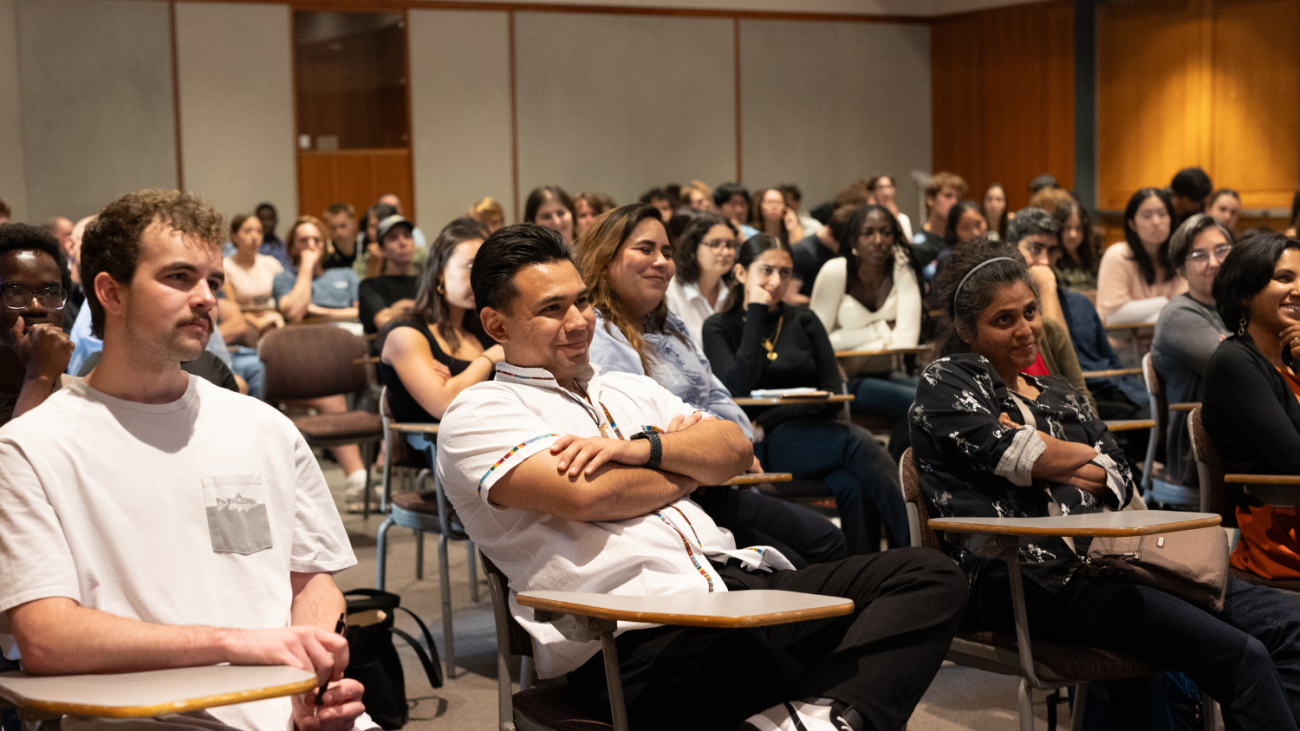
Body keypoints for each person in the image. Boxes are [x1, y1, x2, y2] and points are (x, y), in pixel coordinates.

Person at [435, 222, 965, 731]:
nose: (578, 322)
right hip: (632, 634)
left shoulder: (626, 388)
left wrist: (640, 450)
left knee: (927, 576)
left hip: (736, 583)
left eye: (582, 300)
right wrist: (686, 470)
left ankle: (815, 717)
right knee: (810, 672)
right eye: (551, 309)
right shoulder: (480, 412)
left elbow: (733, 447)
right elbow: (590, 495)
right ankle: (822, 712)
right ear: (496, 325)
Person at [0, 189, 370, 731]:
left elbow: (312, 581)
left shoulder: (263, 427)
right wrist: (243, 647)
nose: (206, 299)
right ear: (110, 292)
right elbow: (46, 638)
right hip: (148, 718)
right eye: (179, 278)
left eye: (213, 282)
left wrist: (312, 685)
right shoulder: (31, 445)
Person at [912, 242, 1300, 730]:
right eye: (1004, 320)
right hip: (1020, 575)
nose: (1027, 329)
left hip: (1112, 561)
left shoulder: (1057, 392)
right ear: (967, 331)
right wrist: (1070, 457)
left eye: (1030, 311)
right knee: (1240, 656)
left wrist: (1055, 458)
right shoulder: (947, 381)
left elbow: (1118, 476)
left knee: (1288, 626)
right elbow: (1015, 456)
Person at [582, 205, 846, 567]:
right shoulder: (598, 331)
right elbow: (637, 430)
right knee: (801, 559)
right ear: (605, 258)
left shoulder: (669, 325)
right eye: (645, 249)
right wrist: (711, 445)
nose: (661, 261)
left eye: (667, 252)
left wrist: (731, 444)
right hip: (669, 499)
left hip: (717, 477)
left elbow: (719, 395)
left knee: (828, 539)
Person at [704, 234, 909, 554]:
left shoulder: (804, 319)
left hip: (810, 431)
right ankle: (912, 548)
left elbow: (831, 390)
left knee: (851, 483)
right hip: (762, 444)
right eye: (767, 271)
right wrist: (756, 313)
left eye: (785, 273)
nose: (776, 281)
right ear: (742, 273)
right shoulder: (720, 326)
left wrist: (771, 413)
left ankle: (865, 571)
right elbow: (735, 390)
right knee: (858, 441)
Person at [1203, 231, 1300, 579]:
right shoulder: (1234, 363)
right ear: (1245, 292)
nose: (1299, 289)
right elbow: (1294, 461)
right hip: (1280, 533)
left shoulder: (1293, 360)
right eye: (1284, 278)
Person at [377, 216, 497, 452]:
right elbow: (444, 404)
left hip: (491, 436)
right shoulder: (406, 334)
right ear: (440, 272)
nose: (482, 280)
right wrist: (490, 359)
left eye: (488, 270)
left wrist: (456, 382)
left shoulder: (483, 329)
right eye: (472, 268)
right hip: (440, 447)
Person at [809, 205, 921, 425]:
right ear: (853, 239)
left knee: (944, 396)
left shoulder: (901, 269)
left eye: (886, 232)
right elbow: (816, 342)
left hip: (886, 372)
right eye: (868, 232)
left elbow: (906, 341)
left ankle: (902, 458)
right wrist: (880, 329)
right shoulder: (835, 271)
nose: (878, 240)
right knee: (919, 404)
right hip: (843, 379)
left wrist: (844, 340)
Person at [1150, 214, 1233, 489]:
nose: (1214, 262)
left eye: (1222, 250)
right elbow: (1235, 370)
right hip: (1200, 454)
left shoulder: (1235, 307)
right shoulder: (1179, 314)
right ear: (1181, 270)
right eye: (1199, 255)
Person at [0, 224, 75, 425]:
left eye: (51, 293)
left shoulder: (83, 400)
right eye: (15, 292)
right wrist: (38, 378)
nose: (36, 308)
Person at [1097, 188, 1187, 325]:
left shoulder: (1180, 257)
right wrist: (1164, 303)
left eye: (1162, 214)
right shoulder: (1117, 255)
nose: (1156, 222)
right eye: (1147, 216)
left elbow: (1184, 312)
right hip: (1124, 345)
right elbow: (1112, 315)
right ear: (1132, 224)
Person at [664, 211, 736, 348]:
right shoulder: (671, 292)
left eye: (730, 245)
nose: (725, 252)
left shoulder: (733, 295)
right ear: (692, 250)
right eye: (714, 244)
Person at [273, 215, 360, 324]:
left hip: (349, 332)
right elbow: (294, 313)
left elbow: (362, 312)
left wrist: (322, 312)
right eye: (303, 240)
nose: (311, 245)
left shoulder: (347, 274)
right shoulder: (284, 278)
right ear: (292, 247)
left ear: (324, 245)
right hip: (306, 336)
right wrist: (307, 266)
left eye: (317, 240)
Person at [358, 215, 418, 337]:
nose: (402, 243)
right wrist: (421, 308)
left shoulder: (426, 283)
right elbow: (383, 322)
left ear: (414, 244)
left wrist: (401, 306)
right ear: (381, 250)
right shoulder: (370, 286)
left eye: (407, 236)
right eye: (393, 238)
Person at [788, 204, 858, 305]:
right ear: (829, 232)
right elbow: (790, 298)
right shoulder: (801, 252)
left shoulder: (837, 244)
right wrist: (827, 304)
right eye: (843, 246)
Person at [1034, 189, 1101, 293]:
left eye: (1078, 228)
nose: (1073, 234)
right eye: (1067, 228)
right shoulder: (1051, 259)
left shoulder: (1092, 256)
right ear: (1058, 228)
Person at [911, 171, 966, 269]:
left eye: (958, 198)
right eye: (948, 195)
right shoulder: (918, 245)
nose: (954, 202)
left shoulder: (962, 242)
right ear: (930, 199)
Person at [866, 174, 913, 241]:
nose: (886, 192)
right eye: (881, 187)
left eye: (889, 187)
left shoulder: (903, 219)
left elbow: (908, 245)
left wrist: (896, 221)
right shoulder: (868, 218)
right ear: (874, 191)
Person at [321, 202, 362, 270]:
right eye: (333, 228)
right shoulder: (325, 256)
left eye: (343, 226)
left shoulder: (366, 249)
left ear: (354, 223)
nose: (338, 232)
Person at [254, 201, 292, 269]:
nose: (266, 223)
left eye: (269, 219)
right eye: (262, 219)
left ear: (276, 220)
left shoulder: (286, 248)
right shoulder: (250, 247)